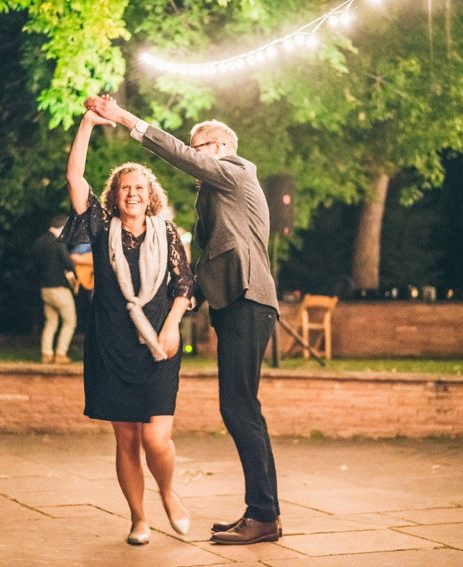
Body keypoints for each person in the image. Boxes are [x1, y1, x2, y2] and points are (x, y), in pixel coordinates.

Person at [87, 95, 281, 545]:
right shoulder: (221, 194)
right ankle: (263, 511)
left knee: (240, 408)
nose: (195, 165)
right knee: (242, 407)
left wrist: (124, 119)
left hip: (248, 299)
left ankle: (265, 514)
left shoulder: (236, 171)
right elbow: (208, 260)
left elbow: (180, 156)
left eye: (199, 151)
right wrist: (178, 304)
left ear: (216, 147)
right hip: (235, 302)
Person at [64, 109, 195, 546]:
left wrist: (174, 326)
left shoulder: (168, 233)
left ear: (150, 194)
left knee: (157, 439)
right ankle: (139, 518)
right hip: (111, 346)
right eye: (125, 188)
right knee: (126, 440)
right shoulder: (102, 228)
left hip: (159, 344)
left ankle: (169, 493)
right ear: (115, 196)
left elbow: (183, 286)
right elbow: (75, 179)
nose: (133, 194)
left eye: (140, 188)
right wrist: (86, 124)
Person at [32, 214, 77, 364]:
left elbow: (36, 264)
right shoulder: (59, 243)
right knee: (70, 321)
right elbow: (69, 264)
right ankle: (60, 353)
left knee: (51, 322)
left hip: (45, 289)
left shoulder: (39, 241)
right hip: (59, 289)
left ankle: (46, 353)